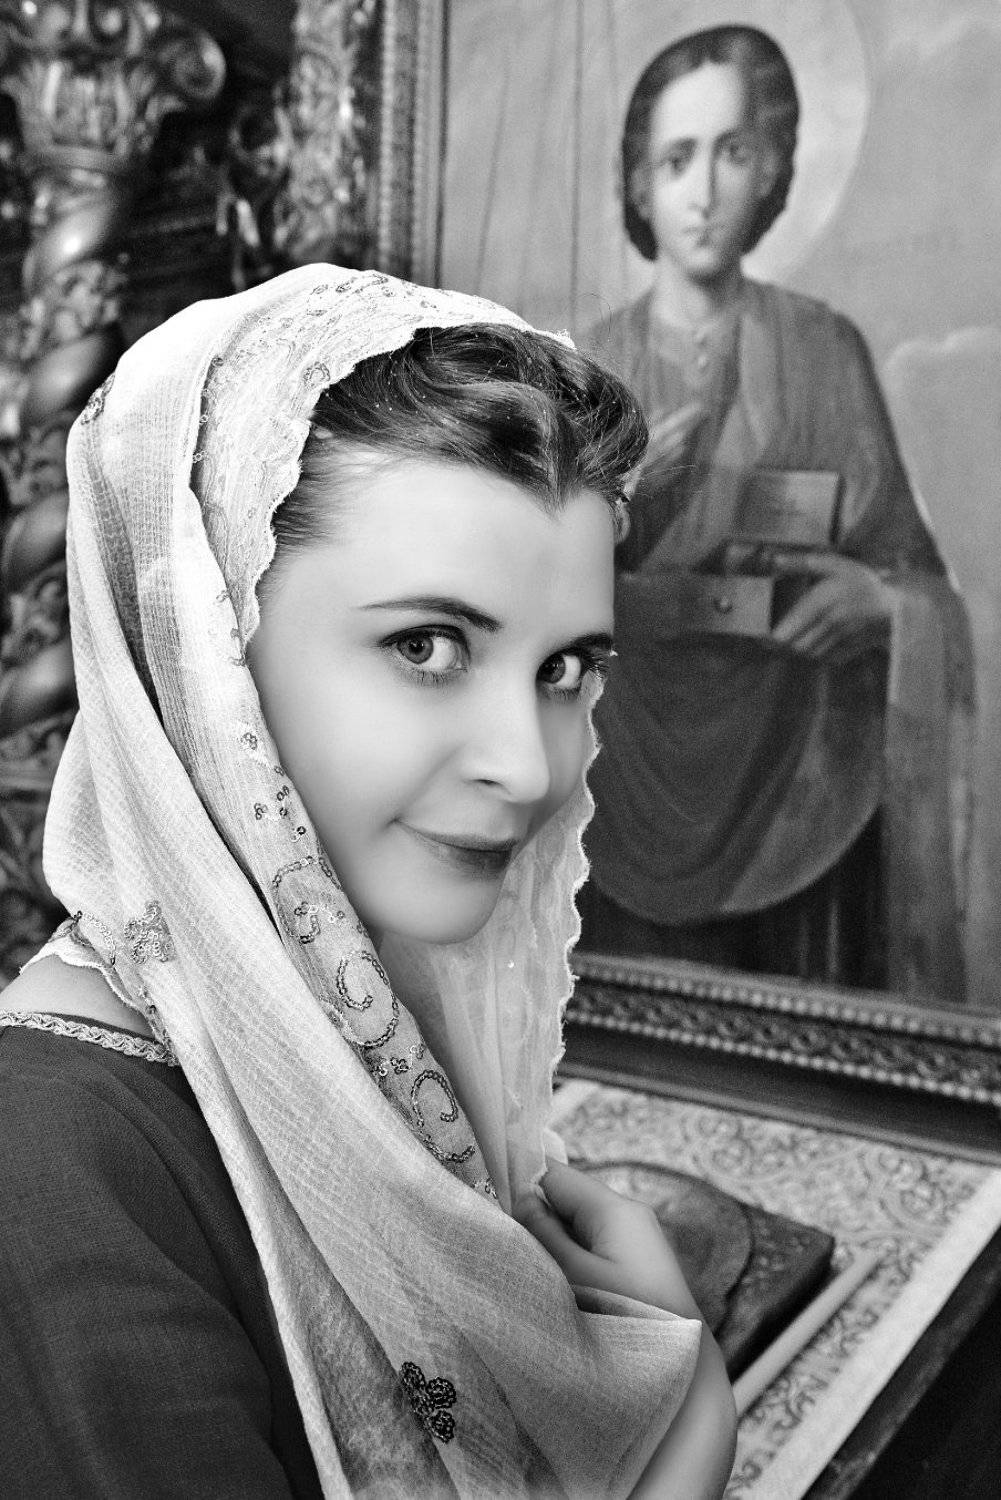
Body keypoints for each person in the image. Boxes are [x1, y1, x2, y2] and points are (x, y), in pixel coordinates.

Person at [0, 265, 736, 1497]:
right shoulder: (48, 1184)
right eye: (426, 646)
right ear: (204, 660)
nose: (528, 766)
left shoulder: (358, 1045)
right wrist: (686, 1423)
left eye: (564, 670)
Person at [579, 24, 974, 999]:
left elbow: (912, 577)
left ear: (771, 170)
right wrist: (616, 504)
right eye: (676, 159)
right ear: (639, 185)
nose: (703, 190)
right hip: (619, 789)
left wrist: (882, 605)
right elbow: (522, 599)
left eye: (732, 151)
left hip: (798, 793)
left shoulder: (823, 351)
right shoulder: (587, 369)